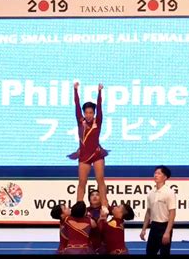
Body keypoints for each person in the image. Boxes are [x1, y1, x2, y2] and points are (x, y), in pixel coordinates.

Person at [67, 82, 109, 214]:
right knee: (82, 183)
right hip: (84, 155)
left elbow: (100, 106)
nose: (89, 115)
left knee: (100, 180)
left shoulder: (98, 121)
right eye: (87, 113)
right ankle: (79, 209)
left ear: (94, 113)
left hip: (97, 154)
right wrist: (75, 90)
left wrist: (99, 92)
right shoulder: (80, 121)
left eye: (91, 112)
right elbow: (76, 105)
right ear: (84, 113)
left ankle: (104, 206)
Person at [140, 165, 176, 256]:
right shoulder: (151, 193)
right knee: (150, 252)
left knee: (164, 253)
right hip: (154, 226)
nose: (156, 175)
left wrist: (167, 232)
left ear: (165, 177)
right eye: (155, 173)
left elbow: (172, 213)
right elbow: (148, 212)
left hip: (164, 226)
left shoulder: (169, 192)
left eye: (159, 173)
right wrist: (143, 229)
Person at [87, 190, 106, 254]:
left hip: (103, 243)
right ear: (89, 199)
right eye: (92, 195)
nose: (95, 196)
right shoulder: (85, 210)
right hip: (89, 243)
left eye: (97, 195)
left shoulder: (105, 209)